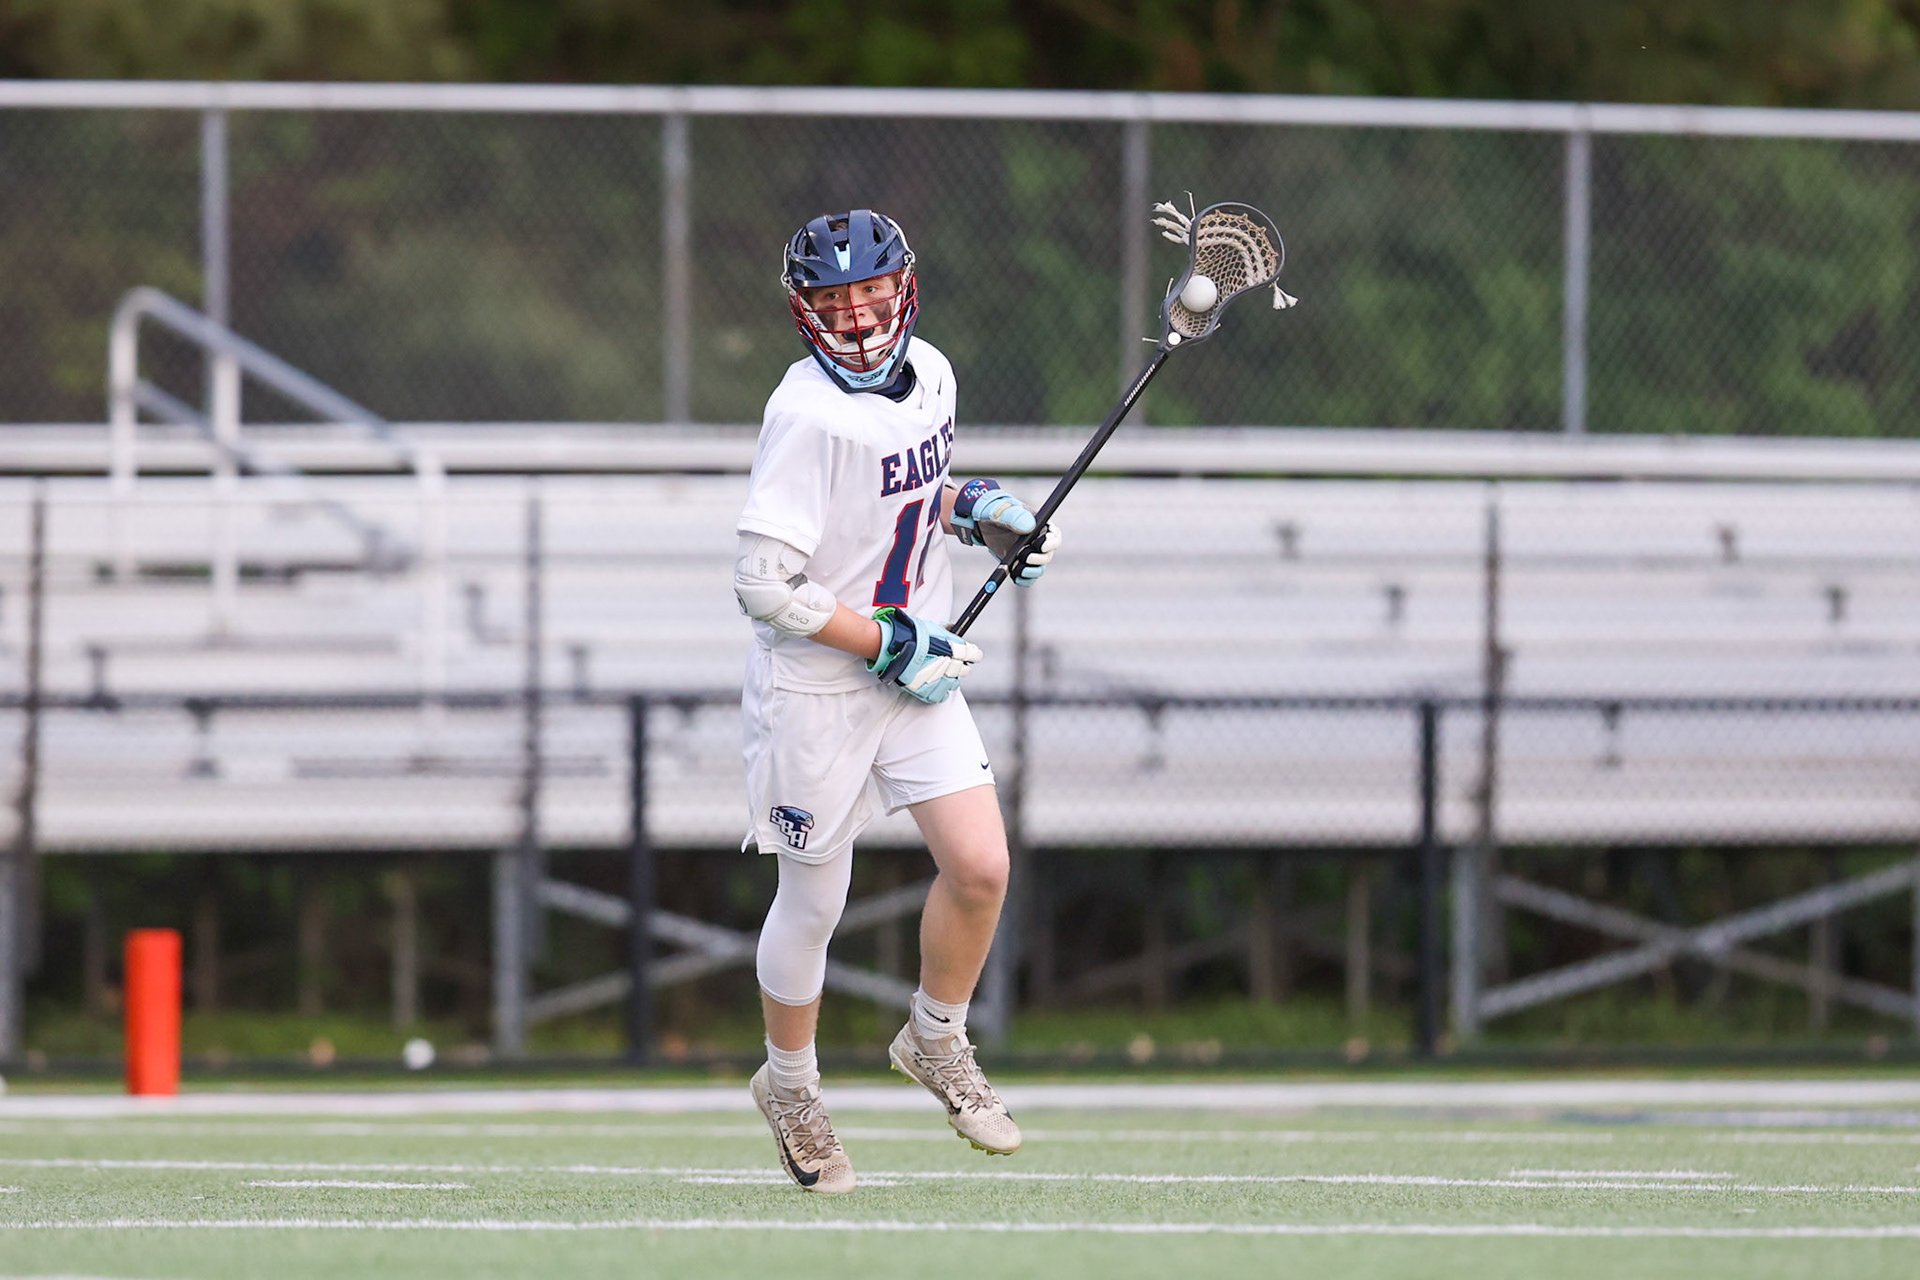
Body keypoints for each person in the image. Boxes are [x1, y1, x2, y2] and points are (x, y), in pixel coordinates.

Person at [733, 209, 1061, 1194]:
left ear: (902, 287)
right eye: (835, 300)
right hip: (823, 685)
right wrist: (885, 638)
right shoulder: (804, 413)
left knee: (980, 865)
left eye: (868, 292)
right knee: (816, 898)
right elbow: (764, 581)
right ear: (806, 309)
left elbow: (905, 491)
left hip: (914, 669)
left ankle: (936, 1037)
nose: (858, 313)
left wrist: (981, 514)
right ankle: (789, 1084)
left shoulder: (937, 374)